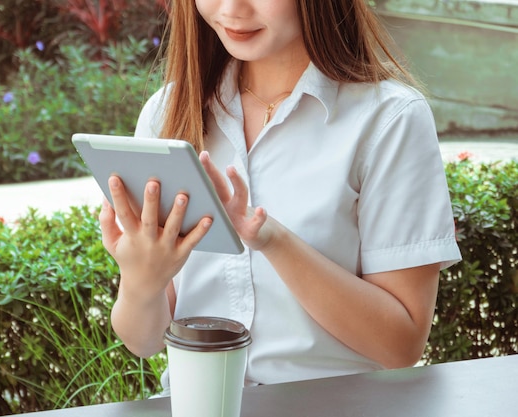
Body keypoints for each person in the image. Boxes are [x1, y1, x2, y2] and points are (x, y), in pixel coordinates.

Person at [99, 0, 462, 393]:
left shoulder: (388, 118)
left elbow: (401, 344)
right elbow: (143, 341)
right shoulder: (168, 114)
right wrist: (142, 281)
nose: (233, 8)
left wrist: (270, 239)